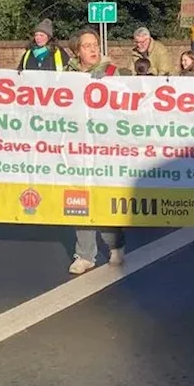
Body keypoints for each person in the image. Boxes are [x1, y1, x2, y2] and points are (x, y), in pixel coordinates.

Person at [67, 27, 130, 273]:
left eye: (95, 45)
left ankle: (115, 242)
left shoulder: (112, 72)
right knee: (79, 199)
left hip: (106, 146)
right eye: (87, 46)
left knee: (104, 198)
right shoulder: (67, 76)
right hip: (77, 145)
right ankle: (84, 255)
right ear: (77, 51)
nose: (93, 49)